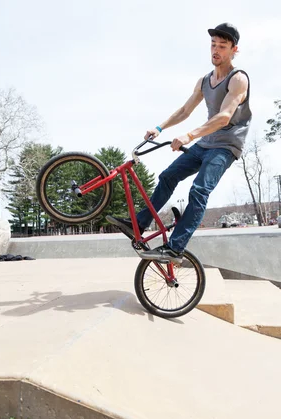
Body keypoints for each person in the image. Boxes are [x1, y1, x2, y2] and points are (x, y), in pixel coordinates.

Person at [107, 22, 251, 263]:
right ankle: (138, 224)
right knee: (167, 176)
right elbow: (185, 110)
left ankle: (175, 247)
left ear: (234, 49)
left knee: (199, 190)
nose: (216, 51)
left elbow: (225, 116)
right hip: (205, 143)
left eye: (222, 47)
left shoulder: (239, 79)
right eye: (213, 45)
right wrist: (160, 127)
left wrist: (189, 135)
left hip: (226, 146)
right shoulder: (204, 81)